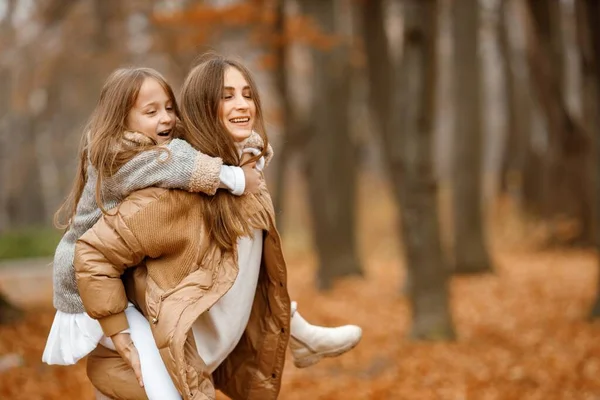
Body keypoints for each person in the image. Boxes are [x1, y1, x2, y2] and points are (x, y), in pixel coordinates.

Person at [74, 54, 361, 400]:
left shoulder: (247, 181)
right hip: (144, 374)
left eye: (246, 93)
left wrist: (291, 326)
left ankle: (301, 335)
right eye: (226, 96)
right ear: (201, 109)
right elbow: (91, 253)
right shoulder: (173, 196)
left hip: (192, 364)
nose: (242, 104)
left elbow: (234, 275)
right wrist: (118, 332)